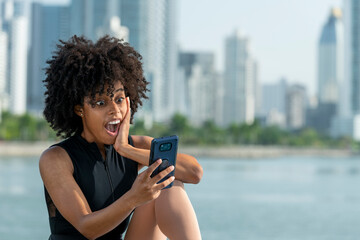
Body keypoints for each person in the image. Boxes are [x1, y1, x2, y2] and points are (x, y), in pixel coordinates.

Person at [39, 35, 203, 240]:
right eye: (100, 103)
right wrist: (133, 198)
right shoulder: (56, 158)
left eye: (118, 100)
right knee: (159, 181)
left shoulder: (134, 146)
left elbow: (194, 172)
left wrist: (127, 150)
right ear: (80, 109)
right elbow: (86, 227)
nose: (114, 110)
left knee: (168, 183)